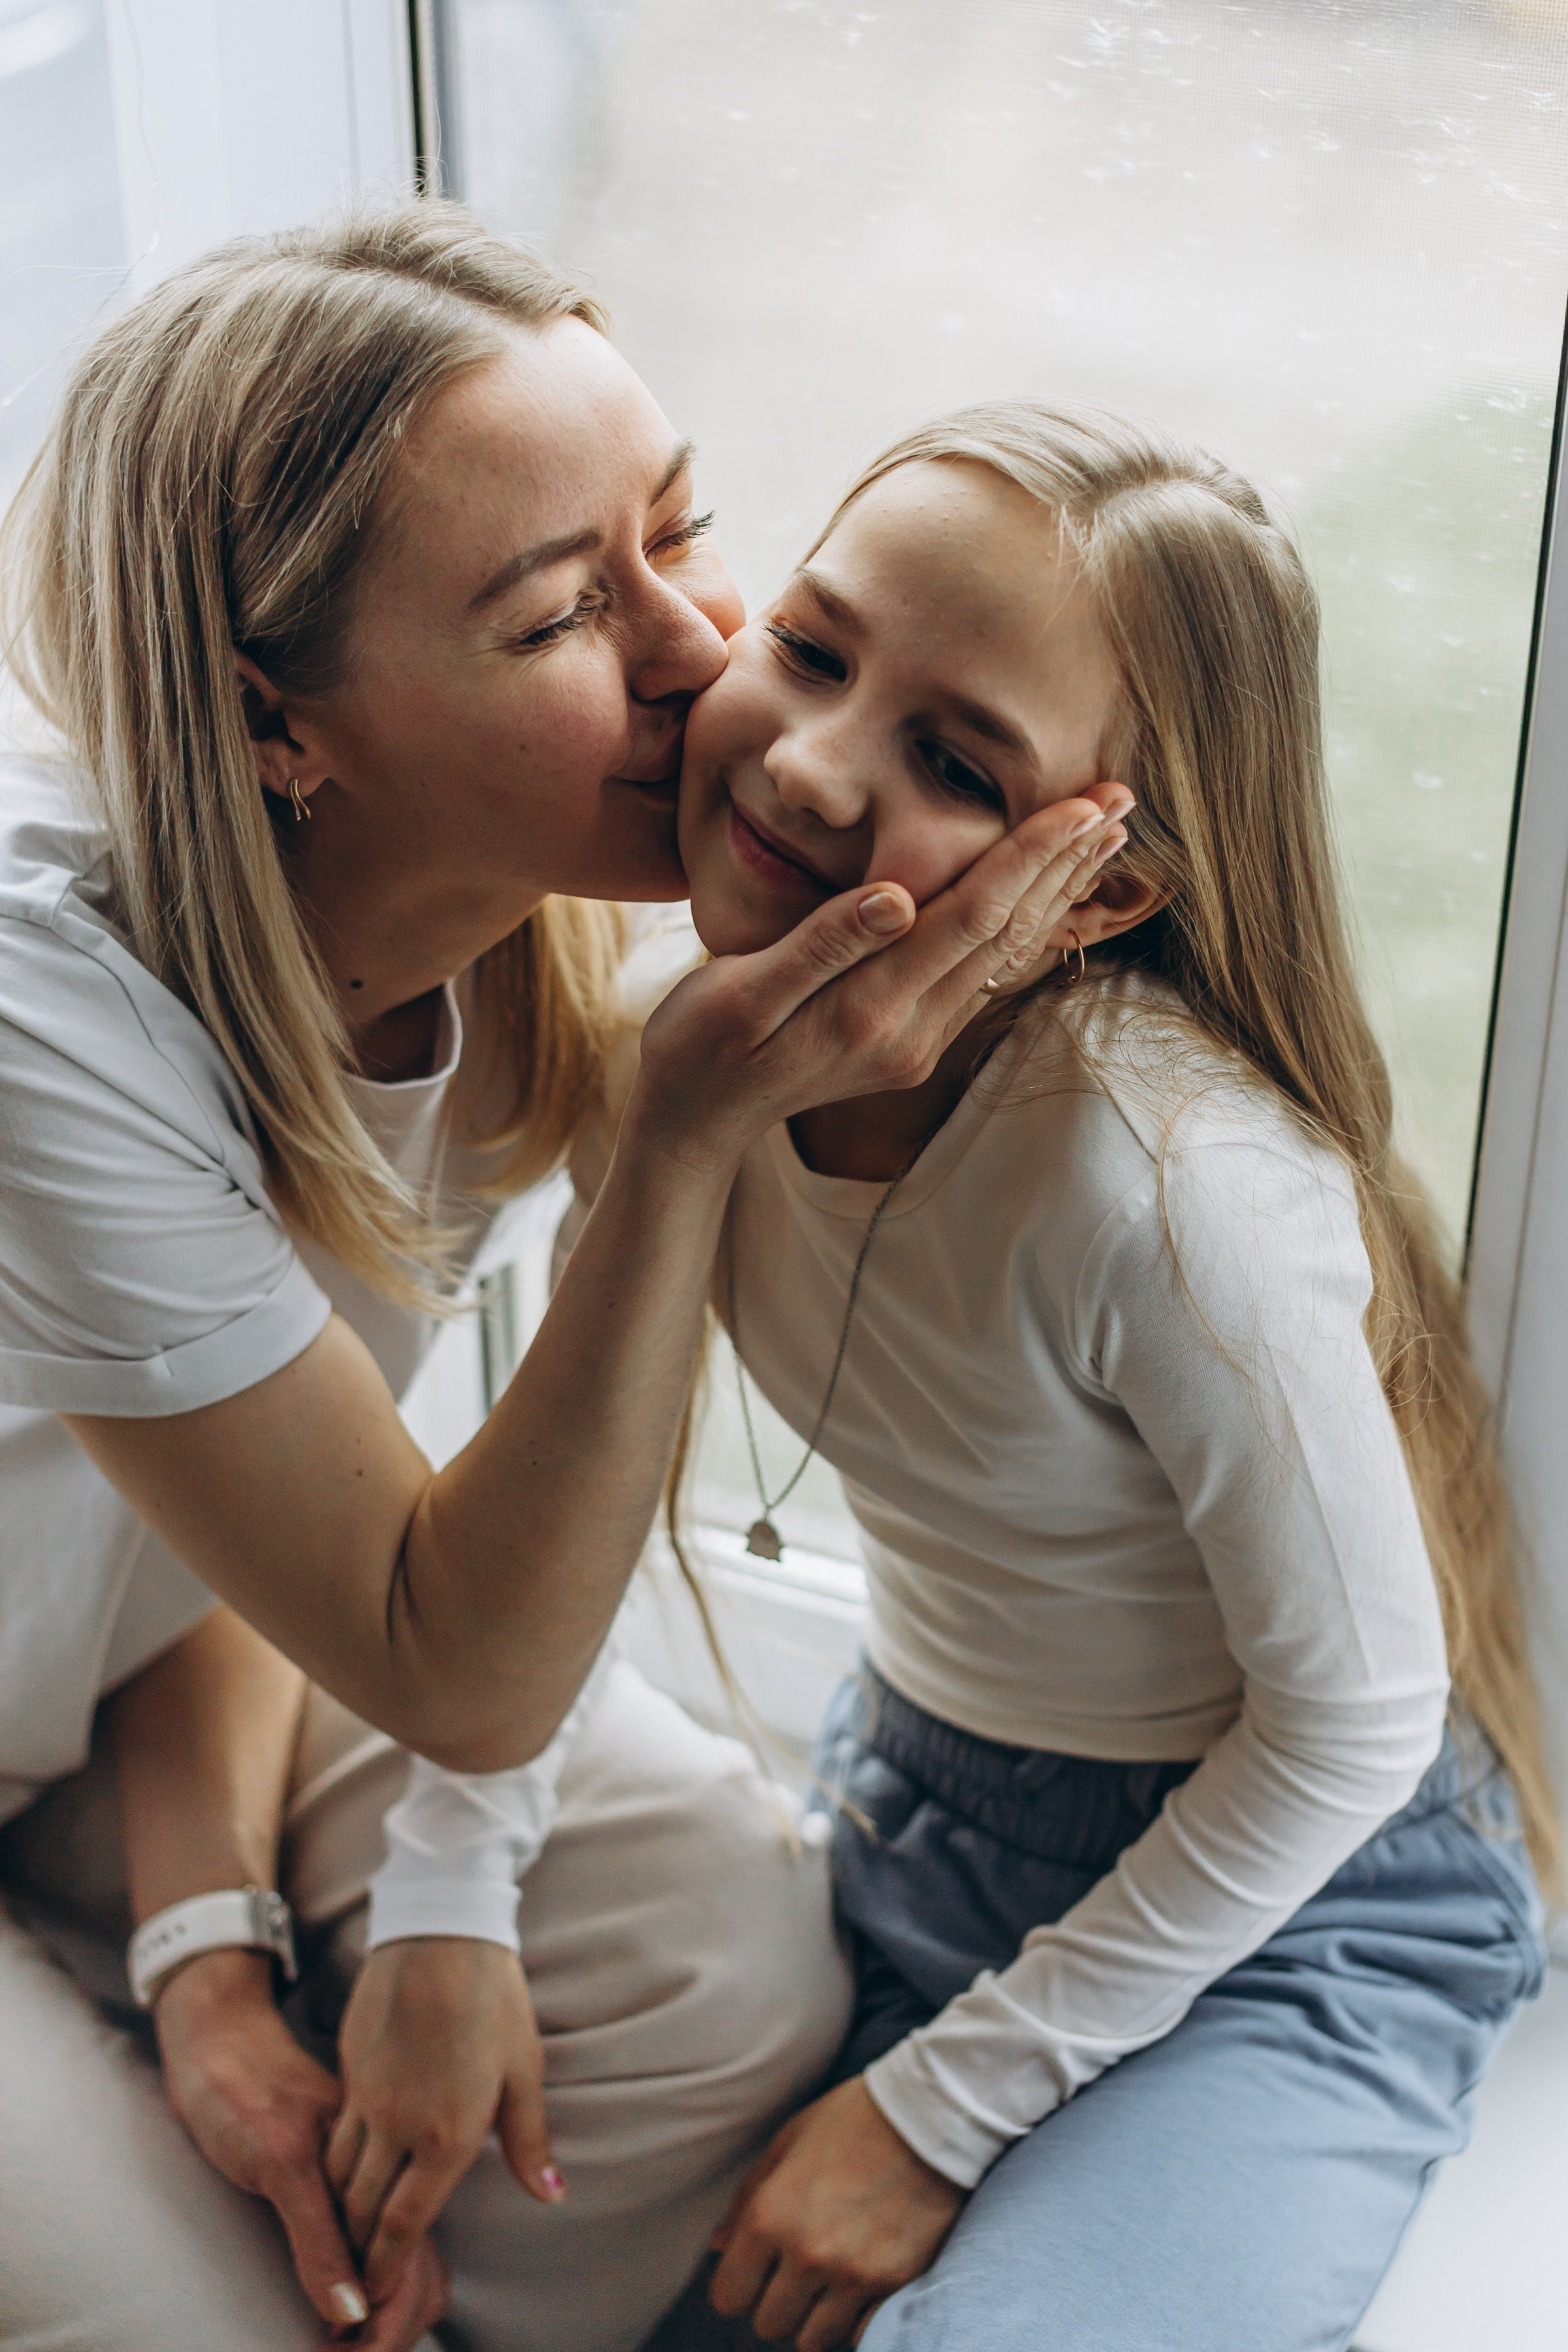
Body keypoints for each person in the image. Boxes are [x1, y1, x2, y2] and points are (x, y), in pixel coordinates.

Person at [0, 206, 1127, 2352]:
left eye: (681, 530)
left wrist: (222, 1946)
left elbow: (238, 1529)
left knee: (725, 1972)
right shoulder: (43, 1024)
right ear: (278, 728)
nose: (705, 652)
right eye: (557, 619)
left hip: (109, 1680)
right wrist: (693, 1136)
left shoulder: (512, 915)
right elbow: (458, 1657)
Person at [359, 401, 1556, 2352]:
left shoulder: (1163, 1183)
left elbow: (1350, 1730)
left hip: (1295, 1909)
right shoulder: (688, 1079)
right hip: (927, 1823)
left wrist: (933, 2107)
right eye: (814, 649)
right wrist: (447, 1890)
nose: (815, 764)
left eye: (953, 760)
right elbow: (555, 1539)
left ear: (1099, 892)